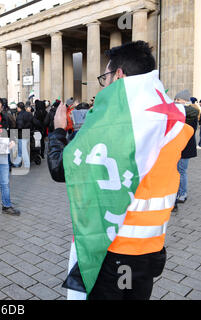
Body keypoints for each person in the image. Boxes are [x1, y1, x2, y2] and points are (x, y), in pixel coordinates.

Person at [48, 41, 193, 300]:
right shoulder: (176, 117)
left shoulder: (114, 124)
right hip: (151, 249)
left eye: (105, 77)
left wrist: (58, 130)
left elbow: (60, 169)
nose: (104, 85)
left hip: (111, 249)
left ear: (119, 75)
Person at [173, 90, 199, 207]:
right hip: (178, 146)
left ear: (184, 101)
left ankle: (183, 193)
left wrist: (179, 107)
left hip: (186, 147)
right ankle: (178, 192)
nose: (176, 102)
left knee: (182, 171)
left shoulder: (191, 112)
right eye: (175, 100)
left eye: (178, 100)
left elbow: (193, 111)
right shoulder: (181, 113)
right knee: (178, 170)